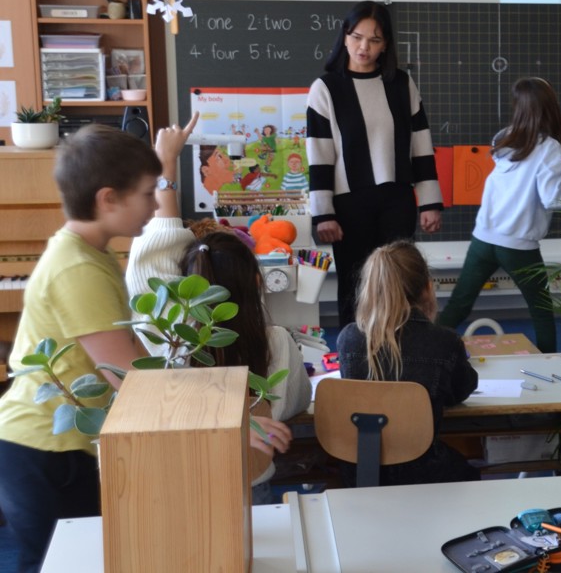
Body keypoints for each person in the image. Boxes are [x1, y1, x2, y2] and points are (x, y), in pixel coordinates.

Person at [0, 123, 287, 573]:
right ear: (108, 199)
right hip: (39, 451)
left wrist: (231, 413)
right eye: (147, 193)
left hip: (62, 447)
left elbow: (139, 359)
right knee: (54, 564)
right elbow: (130, 378)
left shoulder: (92, 254)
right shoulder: (78, 268)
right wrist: (229, 425)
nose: (156, 203)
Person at [126, 112, 309, 504]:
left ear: (188, 278)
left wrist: (166, 164)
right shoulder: (274, 341)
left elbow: (153, 257)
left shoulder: (170, 334)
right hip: (253, 483)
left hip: (183, 485)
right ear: (256, 282)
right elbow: (294, 404)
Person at [436, 77, 561, 353]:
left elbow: (532, 180)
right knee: (540, 310)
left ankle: (424, 353)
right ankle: (550, 367)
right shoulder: (549, 147)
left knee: (459, 304)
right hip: (517, 245)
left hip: (484, 239)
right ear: (550, 108)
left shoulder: (506, 137)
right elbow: (553, 197)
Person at [307, 0, 443, 327]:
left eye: (375, 40)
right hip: (349, 204)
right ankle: (353, 362)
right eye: (357, 37)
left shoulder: (400, 84)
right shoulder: (326, 88)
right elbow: (319, 155)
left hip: (396, 200)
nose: (363, 47)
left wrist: (430, 202)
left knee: (401, 285)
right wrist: (323, 213)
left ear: (386, 45)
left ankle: (402, 358)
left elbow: (421, 144)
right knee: (355, 289)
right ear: (344, 37)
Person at [336, 240, 479, 486]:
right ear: (427, 287)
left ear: (371, 287)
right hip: (424, 471)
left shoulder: (349, 339)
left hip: (362, 470)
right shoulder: (444, 341)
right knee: (469, 468)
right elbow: (460, 391)